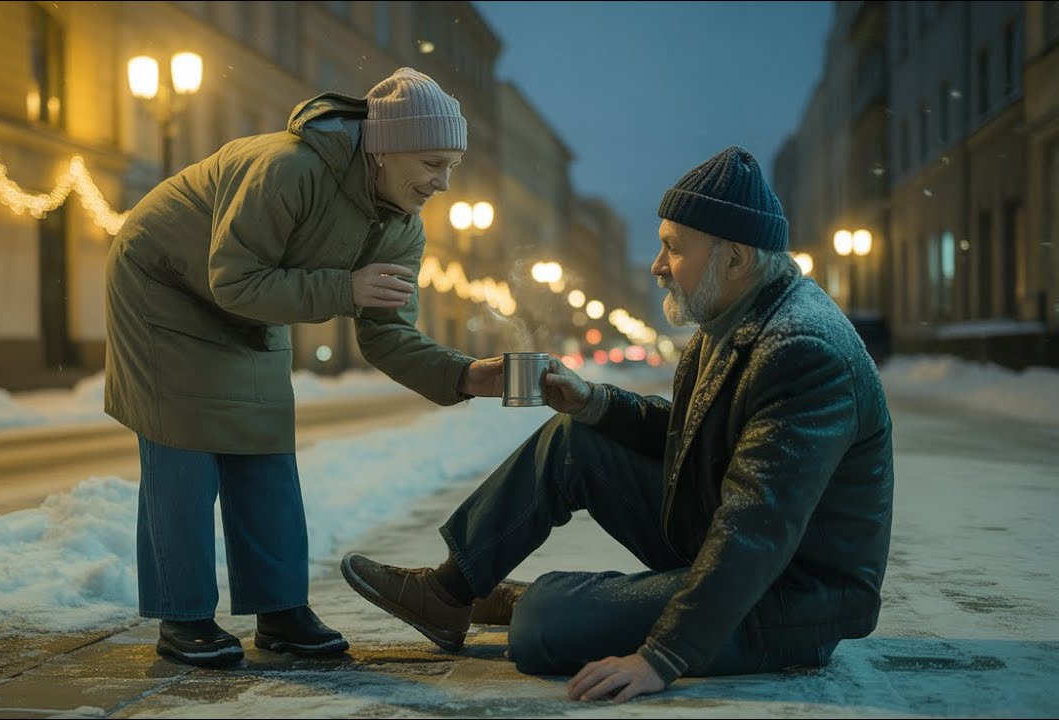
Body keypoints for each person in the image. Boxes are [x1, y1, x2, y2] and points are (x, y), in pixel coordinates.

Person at [341, 145, 894, 703]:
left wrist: (662, 657)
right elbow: (689, 434)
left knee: (540, 628)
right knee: (574, 438)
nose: (657, 266)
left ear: (736, 258)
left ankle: (536, 601)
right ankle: (449, 591)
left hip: (789, 599)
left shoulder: (803, 350)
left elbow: (758, 527)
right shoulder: (734, 319)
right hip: (727, 541)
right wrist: (592, 403)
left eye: (673, 249)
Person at [104, 67, 504, 668]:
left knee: (266, 446)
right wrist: (344, 287)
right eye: (431, 163)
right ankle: (182, 615)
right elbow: (235, 279)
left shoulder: (402, 228)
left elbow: (386, 332)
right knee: (183, 448)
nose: (442, 183)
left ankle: (282, 611)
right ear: (386, 149)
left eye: (451, 166)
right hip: (162, 286)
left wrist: (464, 374)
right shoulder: (288, 168)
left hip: (245, 297)